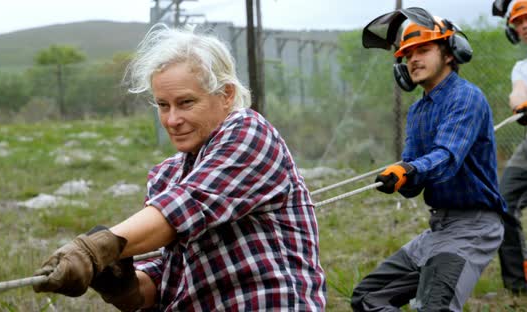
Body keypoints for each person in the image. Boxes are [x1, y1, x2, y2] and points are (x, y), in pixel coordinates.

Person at [31, 24, 327, 311]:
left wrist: (95, 249)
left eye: (186, 103)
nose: (172, 120)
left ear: (226, 95)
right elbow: (173, 274)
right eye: (163, 105)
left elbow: (187, 205)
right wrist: (127, 288)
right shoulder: (168, 174)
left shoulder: (250, 134)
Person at [352, 8, 506, 311]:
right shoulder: (418, 111)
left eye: (423, 49)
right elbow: (414, 180)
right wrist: (399, 179)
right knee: (368, 297)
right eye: (408, 54)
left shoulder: (466, 98)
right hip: (439, 230)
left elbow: (447, 157)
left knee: (434, 307)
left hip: (473, 228)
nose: (413, 59)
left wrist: (409, 169)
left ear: (450, 53)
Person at [494, 0, 527, 294]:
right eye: (518, 21)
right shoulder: (521, 68)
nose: (524, 24)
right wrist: (521, 104)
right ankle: (519, 285)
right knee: (503, 202)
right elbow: (517, 95)